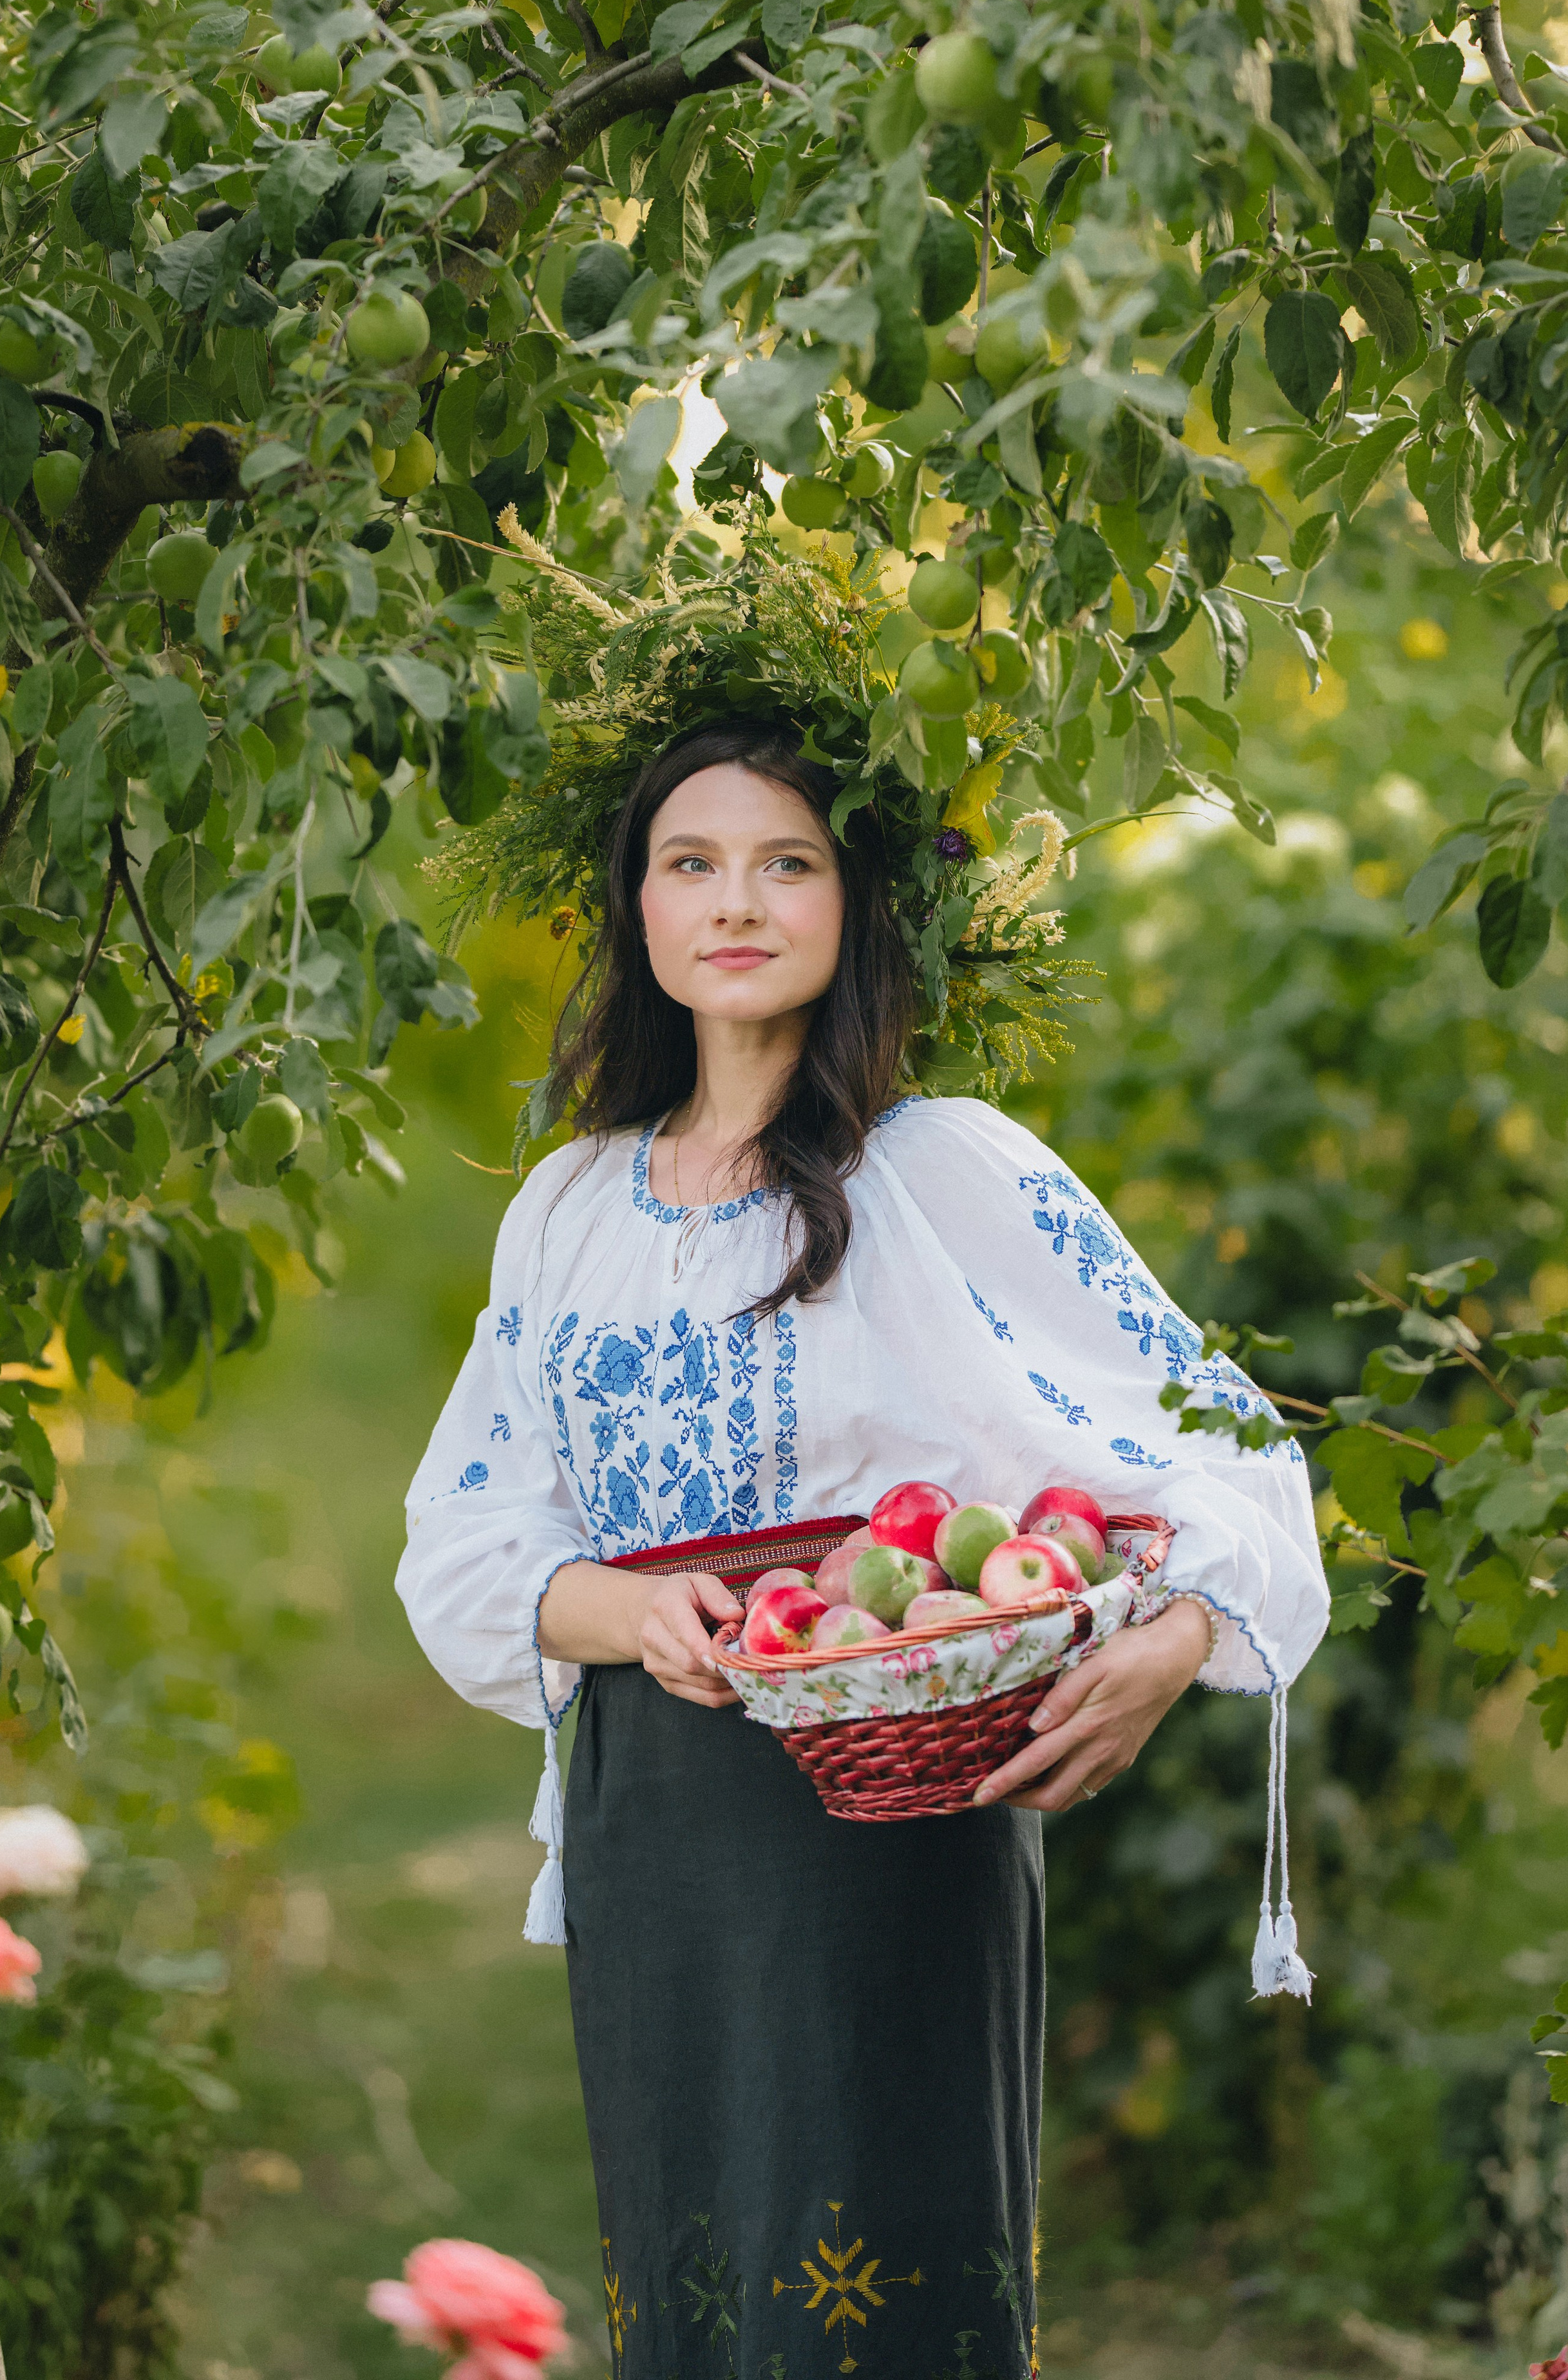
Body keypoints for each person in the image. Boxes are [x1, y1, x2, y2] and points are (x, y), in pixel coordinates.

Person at [398, 698, 1328, 2380]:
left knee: (882, 2290)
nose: (737, 902)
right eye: (692, 863)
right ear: (637, 907)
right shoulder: (568, 1209)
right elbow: (471, 1532)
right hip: (654, 1807)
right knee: (694, 2292)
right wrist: (618, 1605)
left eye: (787, 863)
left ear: (854, 908)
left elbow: (1221, 1441)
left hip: (887, 1816)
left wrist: (1176, 1636)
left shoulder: (944, 1173)